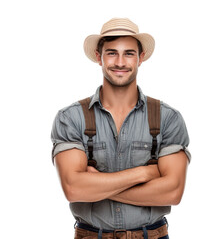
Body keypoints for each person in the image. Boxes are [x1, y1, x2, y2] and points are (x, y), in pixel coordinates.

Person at [51, 18, 190, 239]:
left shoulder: (168, 119)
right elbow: (74, 189)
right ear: (99, 57)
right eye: (112, 53)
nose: (120, 62)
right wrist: (144, 173)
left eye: (129, 53)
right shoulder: (71, 118)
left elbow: (172, 192)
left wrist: (98, 187)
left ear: (140, 58)